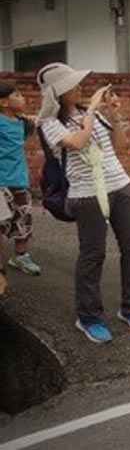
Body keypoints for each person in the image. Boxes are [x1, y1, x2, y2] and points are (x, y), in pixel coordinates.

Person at [37, 63, 130, 344]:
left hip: (120, 185)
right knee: (93, 255)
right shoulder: (50, 123)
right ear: (58, 94)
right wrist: (91, 111)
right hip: (86, 193)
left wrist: (115, 116)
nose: (79, 89)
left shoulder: (93, 115)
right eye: (72, 87)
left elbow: (118, 146)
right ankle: (89, 317)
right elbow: (76, 143)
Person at [0, 82, 39, 298]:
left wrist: (31, 124)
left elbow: (22, 141)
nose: (23, 98)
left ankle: (21, 255)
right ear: (4, 103)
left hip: (19, 180)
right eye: (17, 95)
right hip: (0, 181)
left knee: (23, 218)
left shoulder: (23, 123)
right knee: (0, 223)